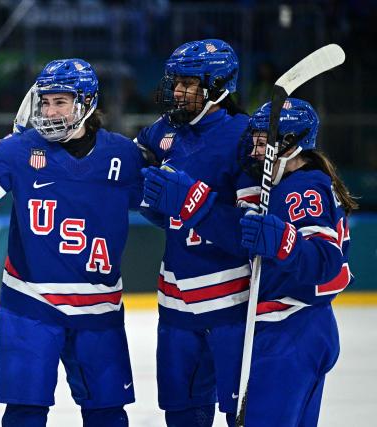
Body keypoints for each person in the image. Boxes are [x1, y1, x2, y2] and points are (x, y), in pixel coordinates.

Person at [0, 58, 155, 427]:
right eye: (44, 102)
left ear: (86, 103)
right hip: (30, 305)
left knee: (107, 413)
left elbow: (160, 210)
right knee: (25, 413)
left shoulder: (123, 155)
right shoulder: (16, 150)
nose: (49, 110)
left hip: (100, 311)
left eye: (60, 102)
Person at [136, 39, 260, 426]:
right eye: (176, 82)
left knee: (241, 413)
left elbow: (250, 233)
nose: (177, 92)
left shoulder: (245, 138)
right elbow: (121, 167)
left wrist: (190, 204)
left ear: (219, 86)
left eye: (189, 83)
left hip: (231, 302)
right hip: (174, 302)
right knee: (182, 411)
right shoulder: (163, 131)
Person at [237, 98, 355, 426]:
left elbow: (323, 260)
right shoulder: (302, 183)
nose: (254, 151)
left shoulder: (302, 188)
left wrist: (282, 242)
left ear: (288, 145)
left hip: (289, 330)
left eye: (262, 142)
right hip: (308, 327)